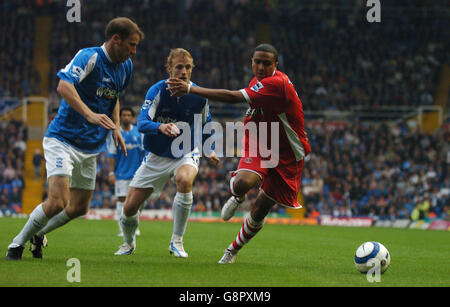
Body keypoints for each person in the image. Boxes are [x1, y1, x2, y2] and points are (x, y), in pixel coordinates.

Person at [6, 17, 144, 260]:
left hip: (91, 147)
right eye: (131, 45)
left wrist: (116, 127)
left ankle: (39, 235)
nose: (134, 51)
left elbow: (114, 96)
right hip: (63, 139)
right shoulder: (89, 57)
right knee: (58, 201)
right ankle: (16, 244)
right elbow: (63, 86)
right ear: (115, 39)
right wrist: (90, 114)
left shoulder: (126, 66)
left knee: (79, 207)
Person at [167, 43, 311, 263]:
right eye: (257, 62)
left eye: (266, 63)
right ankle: (237, 194)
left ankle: (232, 250)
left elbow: (233, 96)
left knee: (261, 208)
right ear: (251, 61)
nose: (261, 66)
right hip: (261, 142)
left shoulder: (277, 84)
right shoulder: (257, 82)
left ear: (276, 65)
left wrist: (190, 89)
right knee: (243, 183)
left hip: (289, 155)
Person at [115, 48, 219, 258]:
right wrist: (160, 127)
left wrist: (209, 149)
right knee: (129, 208)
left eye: (187, 67)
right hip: (156, 156)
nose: (183, 71)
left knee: (184, 180)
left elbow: (206, 123)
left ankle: (177, 241)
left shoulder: (199, 96)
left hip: (185, 151)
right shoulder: (157, 91)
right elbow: (142, 123)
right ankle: (128, 243)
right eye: (179, 67)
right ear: (169, 68)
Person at [106, 106, 145, 236]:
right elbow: (111, 155)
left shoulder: (139, 133)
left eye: (129, 115)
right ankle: (122, 228)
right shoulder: (115, 133)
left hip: (137, 174)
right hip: (121, 173)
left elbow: (145, 152)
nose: (126, 117)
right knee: (122, 200)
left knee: (137, 202)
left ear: (132, 117)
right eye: (124, 115)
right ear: (120, 117)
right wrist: (111, 173)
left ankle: (134, 226)